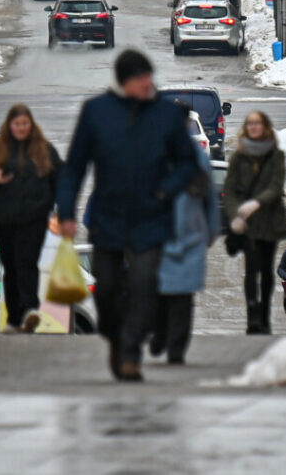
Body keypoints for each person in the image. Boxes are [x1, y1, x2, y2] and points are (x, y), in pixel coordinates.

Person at [56, 50, 198, 381]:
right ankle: (115, 338)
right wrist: (66, 213)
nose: (148, 83)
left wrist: (166, 190)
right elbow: (75, 167)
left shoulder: (165, 114)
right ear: (124, 82)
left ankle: (130, 353)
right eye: (140, 78)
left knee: (143, 285)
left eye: (149, 76)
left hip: (151, 219)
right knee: (105, 289)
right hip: (108, 219)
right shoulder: (97, 112)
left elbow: (188, 162)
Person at [0, 105, 63, 333]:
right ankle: (14, 318)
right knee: (11, 266)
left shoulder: (44, 150)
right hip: (3, 219)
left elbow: (61, 178)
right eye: (17, 124)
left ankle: (30, 309)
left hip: (34, 218)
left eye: (25, 124)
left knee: (26, 261)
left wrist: (61, 207)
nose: (21, 128)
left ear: (31, 125)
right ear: (9, 125)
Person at [150, 132, 220, 365]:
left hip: (191, 237)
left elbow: (210, 199)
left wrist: (211, 230)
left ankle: (176, 348)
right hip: (158, 237)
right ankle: (160, 333)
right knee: (160, 294)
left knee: (183, 296)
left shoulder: (197, 157)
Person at [223, 110, 286, 334]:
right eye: (250, 123)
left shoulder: (276, 155)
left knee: (267, 268)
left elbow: (276, 187)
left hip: (269, 219)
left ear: (265, 126)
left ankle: (265, 313)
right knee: (251, 268)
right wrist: (236, 215)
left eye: (257, 123)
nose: (253, 127)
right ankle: (253, 316)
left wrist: (256, 203)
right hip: (247, 222)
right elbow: (230, 189)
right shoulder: (239, 157)